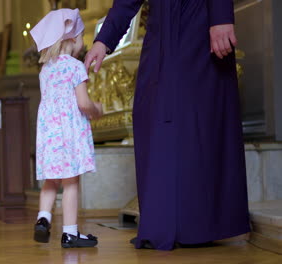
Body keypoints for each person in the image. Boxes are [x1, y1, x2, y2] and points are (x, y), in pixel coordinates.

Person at [84, 0, 251, 250]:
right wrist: (103, 40)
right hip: (161, 32)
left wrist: (220, 17)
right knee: (153, 116)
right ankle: (164, 221)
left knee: (196, 120)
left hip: (199, 21)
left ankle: (199, 224)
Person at [30, 8, 103, 248]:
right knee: (71, 182)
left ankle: (43, 217)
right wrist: (96, 109)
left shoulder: (45, 70)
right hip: (69, 133)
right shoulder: (74, 66)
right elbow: (82, 103)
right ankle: (70, 233)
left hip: (49, 134)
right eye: (83, 36)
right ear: (72, 39)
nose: (83, 43)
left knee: (51, 180)